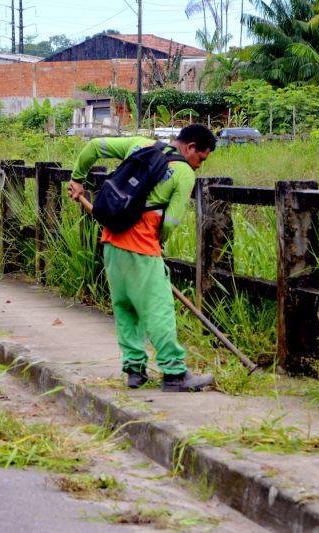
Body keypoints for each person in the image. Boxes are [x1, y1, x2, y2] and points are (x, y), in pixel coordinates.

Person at [67, 124, 217, 393]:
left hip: (111, 242)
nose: (198, 166)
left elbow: (93, 148)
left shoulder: (140, 144)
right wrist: (157, 244)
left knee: (126, 308)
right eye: (201, 159)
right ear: (191, 147)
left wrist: (77, 178)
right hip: (143, 247)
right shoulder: (183, 172)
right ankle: (174, 373)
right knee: (158, 310)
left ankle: (135, 370)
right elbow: (170, 221)